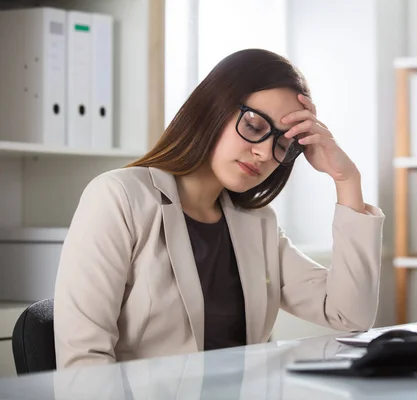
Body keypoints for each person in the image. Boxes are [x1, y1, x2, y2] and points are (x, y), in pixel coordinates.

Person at [53, 49, 385, 369]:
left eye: (282, 144)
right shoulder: (120, 197)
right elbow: (84, 361)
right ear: (212, 108)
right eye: (255, 127)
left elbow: (350, 314)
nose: (265, 153)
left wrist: (346, 180)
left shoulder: (258, 224)